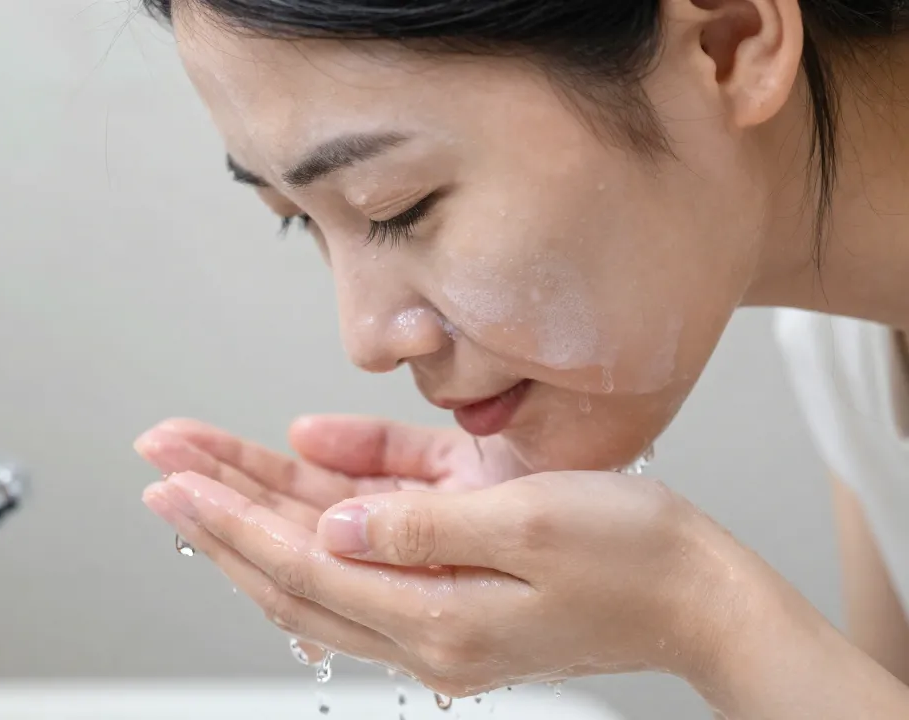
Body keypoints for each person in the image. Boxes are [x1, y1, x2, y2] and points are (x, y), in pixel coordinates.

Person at [131, 1, 909, 716]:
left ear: (730, 41)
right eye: (295, 220)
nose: (365, 338)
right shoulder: (847, 347)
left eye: (395, 206)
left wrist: (705, 612)